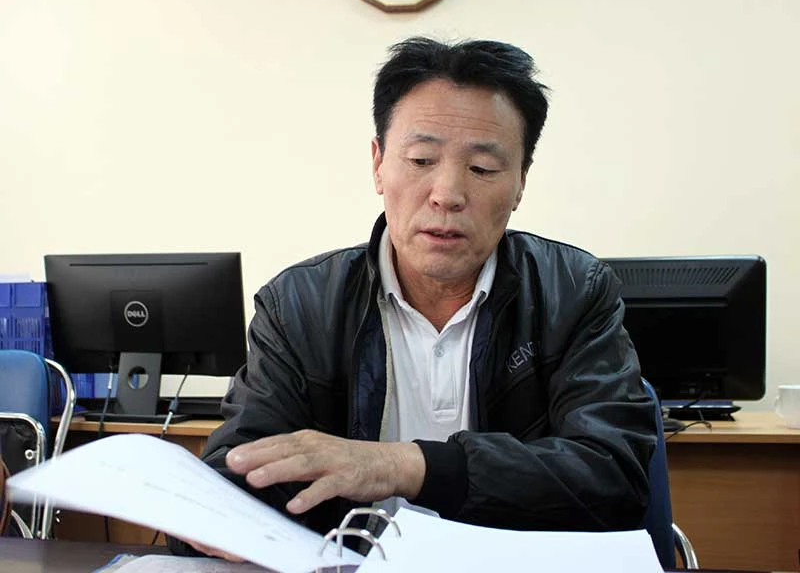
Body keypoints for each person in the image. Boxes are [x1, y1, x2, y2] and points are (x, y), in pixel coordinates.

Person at [169, 36, 656, 558]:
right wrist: (219, 517)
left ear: (520, 182)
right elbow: (241, 465)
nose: (446, 194)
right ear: (378, 164)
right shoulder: (299, 305)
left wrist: (405, 466)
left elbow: (613, 479)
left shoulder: (575, 292)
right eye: (421, 159)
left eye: (482, 168)